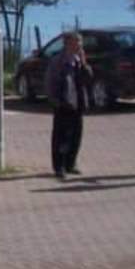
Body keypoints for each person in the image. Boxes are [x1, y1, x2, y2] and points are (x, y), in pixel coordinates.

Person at [45, 31, 93, 180]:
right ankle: (59, 166)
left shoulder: (79, 60)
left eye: (80, 42)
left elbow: (88, 79)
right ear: (67, 44)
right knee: (62, 137)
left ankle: (71, 164)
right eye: (76, 42)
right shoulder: (58, 61)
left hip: (77, 103)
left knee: (76, 136)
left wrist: (84, 63)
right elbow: (51, 82)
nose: (79, 45)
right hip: (63, 103)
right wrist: (56, 100)